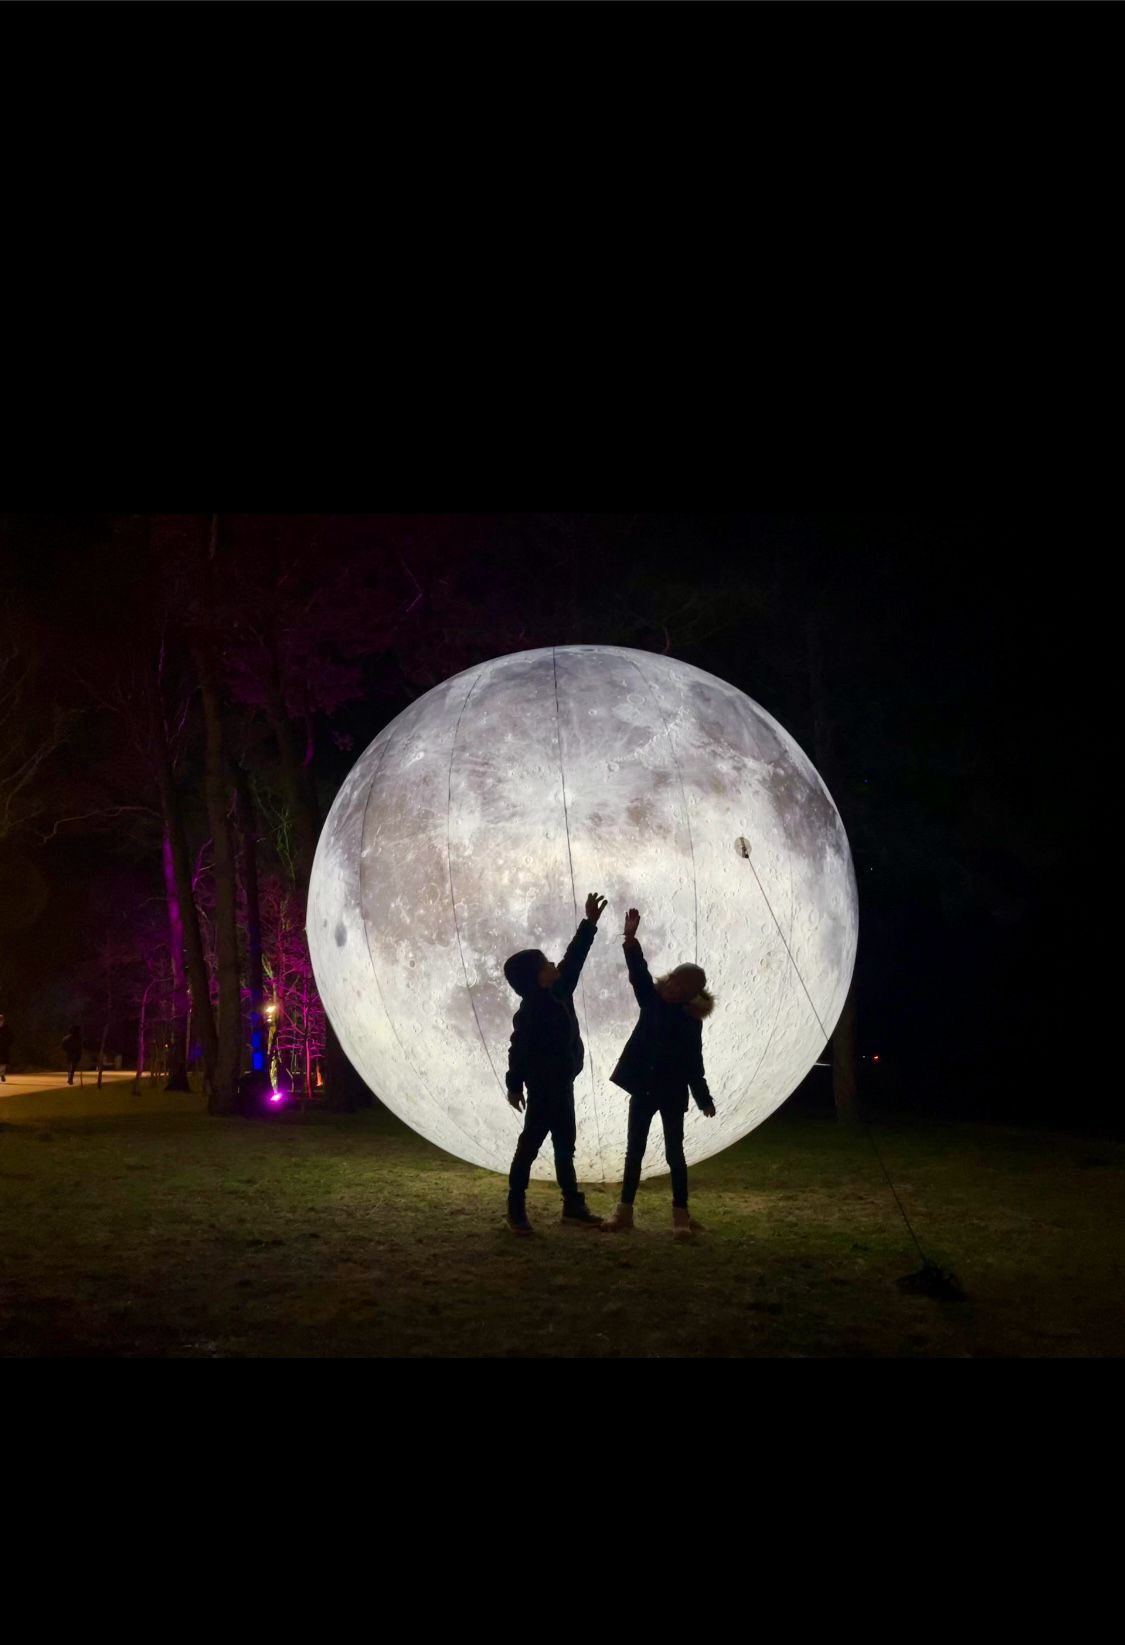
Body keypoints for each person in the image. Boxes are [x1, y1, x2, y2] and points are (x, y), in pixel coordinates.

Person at [602, 906, 717, 1240]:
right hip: (643, 1088)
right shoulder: (651, 1000)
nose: (677, 988)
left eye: (685, 987)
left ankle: (680, 1215)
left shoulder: (689, 1021)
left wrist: (703, 1098)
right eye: (676, 980)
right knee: (633, 1150)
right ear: (671, 978)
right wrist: (630, 939)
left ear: (691, 993)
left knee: (674, 1153)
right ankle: (624, 1212)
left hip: (670, 1092)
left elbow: (694, 1063)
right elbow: (638, 972)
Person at [502, 891, 608, 1235]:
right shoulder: (530, 1011)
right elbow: (518, 1049)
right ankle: (516, 1209)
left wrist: (589, 924)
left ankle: (572, 1207)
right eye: (546, 964)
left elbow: (573, 958)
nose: (552, 965)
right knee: (530, 1145)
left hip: (563, 1083)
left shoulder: (559, 990)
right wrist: (514, 1084)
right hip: (545, 1087)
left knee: (565, 1144)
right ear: (536, 977)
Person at [0, 1013, 11, 1082]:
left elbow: (10, 1037)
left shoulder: (6, 1028)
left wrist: (7, 1044)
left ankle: (2, 1074)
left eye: (1, 1019)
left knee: (2, 1062)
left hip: (3, 1047)